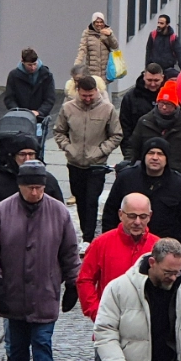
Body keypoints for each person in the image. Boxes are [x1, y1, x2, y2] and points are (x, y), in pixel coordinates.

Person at [0, 161, 80, 361]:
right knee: (18, 350)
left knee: (43, 347)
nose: (35, 193)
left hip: (45, 293)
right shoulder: (2, 211)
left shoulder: (58, 212)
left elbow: (70, 251)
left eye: (39, 188)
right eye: (30, 188)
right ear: (20, 186)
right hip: (13, 294)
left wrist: (73, 283)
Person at [79, 193, 157, 361]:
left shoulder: (157, 245)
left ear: (149, 217)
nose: (137, 222)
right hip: (109, 333)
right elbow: (84, 280)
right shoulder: (102, 243)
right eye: (132, 216)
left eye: (142, 217)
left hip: (144, 335)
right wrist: (96, 312)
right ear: (121, 215)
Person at [51, 72, 121, 241]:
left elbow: (116, 135)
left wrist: (101, 151)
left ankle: (89, 238)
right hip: (75, 163)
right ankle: (85, 233)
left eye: (91, 95)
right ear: (78, 92)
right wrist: (68, 147)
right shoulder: (68, 108)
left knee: (91, 201)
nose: (88, 99)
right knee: (81, 201)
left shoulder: (107, 109)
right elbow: (59, 131)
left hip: (96, 165)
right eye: (84, 95)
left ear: (96, 91)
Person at [104, 137, 181, 240]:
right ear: (144, 156)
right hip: (127, 242)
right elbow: (110, 213)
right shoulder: (125, 178)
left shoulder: (180, 185)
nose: (155, 157)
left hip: (165, 246)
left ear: (167, 158)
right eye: (151, 153)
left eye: (160, 154)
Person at [0, 133, 63, 236]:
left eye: (31, 154)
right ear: (13, 156)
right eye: (22, 154)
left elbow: (61, 217)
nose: (27, 159)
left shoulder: (49, 181)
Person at [124, 81, 181, 181]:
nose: (164, 107)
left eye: (168, 104)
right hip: (148, 175)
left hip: (178, 177)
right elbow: (133, 147)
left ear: (175, 105)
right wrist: (128, 165)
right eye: (161, 103)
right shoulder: (144, 122)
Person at [3, 48, 57, 158]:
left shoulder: (46, 75)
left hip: (39, 119)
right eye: (29, 65)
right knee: (20, 149)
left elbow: (50, 98)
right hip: (19, 120)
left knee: (37, 149)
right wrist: (18, 112)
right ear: (22, 62)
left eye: (34, 64)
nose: (32, 67)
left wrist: (40, 112)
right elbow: (9, 98)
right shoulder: (14, 75)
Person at [119, 64, 168, 156]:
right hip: (138, 150)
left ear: (162, 78)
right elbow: (125, 127)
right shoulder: (131, 97)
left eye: (156, 80)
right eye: (149, 80)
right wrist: (128, 154)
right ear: (144, 76)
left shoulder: (171, 97)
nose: (153, 84)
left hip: (165, 152)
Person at [75, 12, 119, 82]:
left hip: (105, 72)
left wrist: (110, 35)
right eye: (97, 22)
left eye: (101, 22)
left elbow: (115, 46)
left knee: (102, 91)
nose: (99, 24)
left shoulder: (108, 32)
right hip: (92, 72)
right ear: (93, 22)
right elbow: (82, 50)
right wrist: (77, 66)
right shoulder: (87, 33)